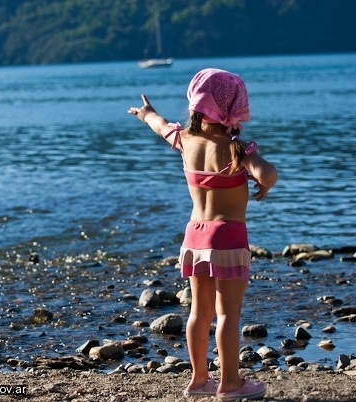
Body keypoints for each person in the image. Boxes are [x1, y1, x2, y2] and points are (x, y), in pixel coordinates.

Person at [128, 68, 277, 400]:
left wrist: (146, 113)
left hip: (195, 236)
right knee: (227, 315)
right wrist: (261, 181)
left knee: (199, 312)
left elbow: (159, 125)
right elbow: (269, 173)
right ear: (233, 108)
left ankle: (198, 380)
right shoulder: (237, 150)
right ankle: (231, 384)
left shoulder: (185, 140)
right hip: (228, 237)